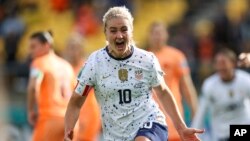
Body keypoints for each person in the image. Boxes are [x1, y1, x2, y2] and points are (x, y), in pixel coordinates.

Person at [64, 6, 204, 141]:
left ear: (131, 31)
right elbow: (76, 102)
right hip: (116, 134)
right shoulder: (94, 63)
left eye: (124, 29)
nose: (119, 35)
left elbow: (162, 92)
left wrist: (181, 127)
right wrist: (68, 133)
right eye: (113, 30)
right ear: (105, 33)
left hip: (150, 123)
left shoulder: (146, 59)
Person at [147, 22, 199, 141]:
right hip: (150, 118)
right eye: (154, 34)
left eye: (160, 33)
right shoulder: (143, 59)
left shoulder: (176, 56)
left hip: (172, 118)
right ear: (149, 36)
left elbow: (187, 87)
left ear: (166, 35)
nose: (157, 37)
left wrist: (195, 112)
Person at [191, 48, 250, 141]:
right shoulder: (210, 85)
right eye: (218, 63)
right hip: (221, 132)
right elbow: (201, 112)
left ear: (233, 63)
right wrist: (194, 134)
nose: (221, 67)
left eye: (224, 63)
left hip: (242, 128)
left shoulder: (245, 81)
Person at [27, 31, 75, 141]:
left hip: (50, 119)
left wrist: (31, 110)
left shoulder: (39, 63)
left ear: (46, 45)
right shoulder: (67, 66)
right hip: (69, 122)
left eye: (34, 46)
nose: (31, 51)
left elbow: (33, 87)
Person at [64, 34, 101, 141]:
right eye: (71, 47)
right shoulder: (64, 68)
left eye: (76, 47)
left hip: (88, 115)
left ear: (81, 49)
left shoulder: (88, 67)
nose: (73, 51)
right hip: (72, 115)